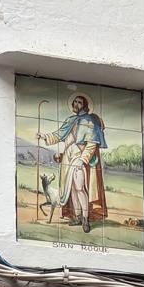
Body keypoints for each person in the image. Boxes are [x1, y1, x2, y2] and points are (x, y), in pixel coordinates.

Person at [40, 93, 108, 234]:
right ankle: (76, 217)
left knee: (79, 187)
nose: (76, 105)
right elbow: (59, 134)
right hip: (68, 157)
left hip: (79, 157)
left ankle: (85, 219)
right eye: (74, 102)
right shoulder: (70, 120)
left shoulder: (90, 121)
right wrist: (44, 136)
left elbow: (92, 144)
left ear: (85, 105)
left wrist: (82, 159)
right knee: (71, 189)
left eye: (79, 102)